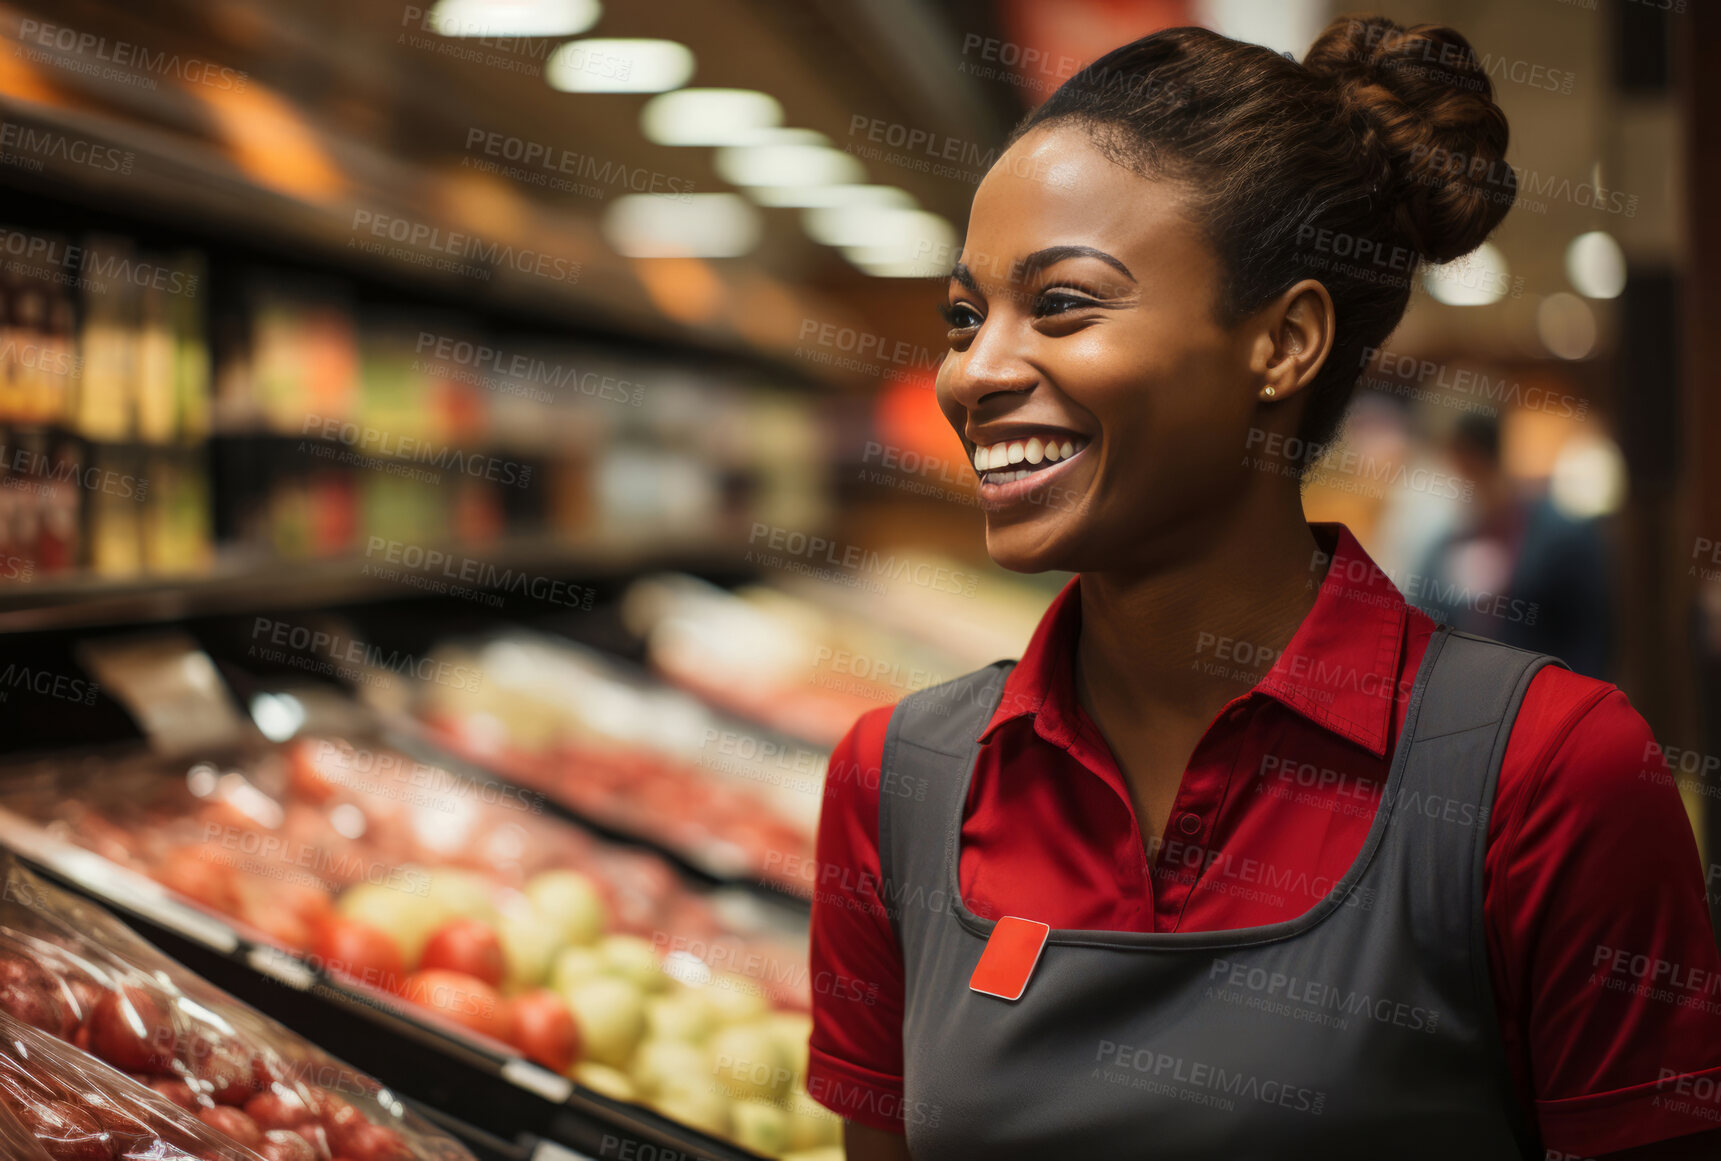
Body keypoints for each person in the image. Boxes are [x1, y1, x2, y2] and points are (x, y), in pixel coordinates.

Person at [805, 15, 1721, 1161]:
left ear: (1283, 343)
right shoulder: (897, 783)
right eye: (962, 315)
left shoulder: (1548, 777)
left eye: (1063, 304)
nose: (972, 371)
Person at [1412, 411, 1614, 679]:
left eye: (1457, 461)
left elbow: (1592, 635)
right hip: (1469, 704)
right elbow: (1425, 634)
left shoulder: (1563, 537)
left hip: (1550, 700)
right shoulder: (1442, 547)